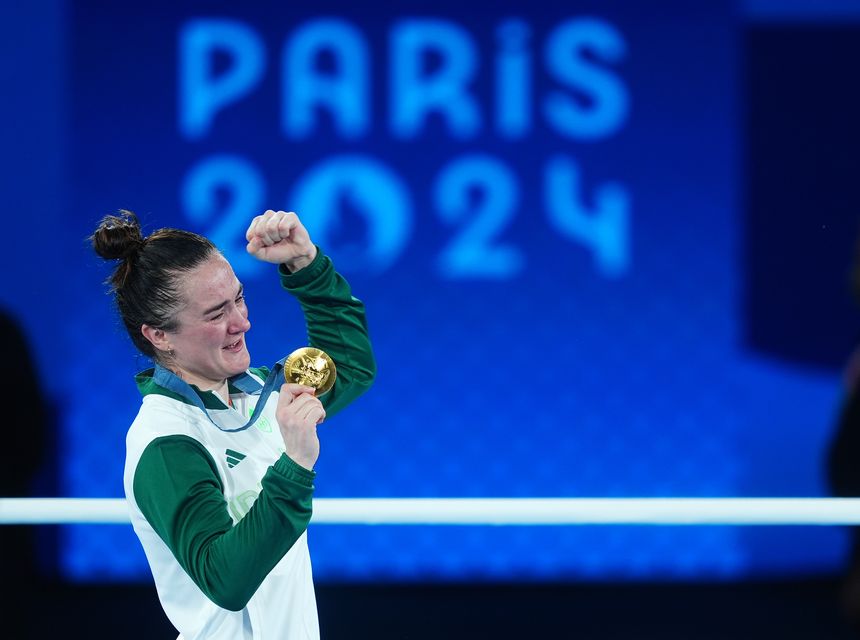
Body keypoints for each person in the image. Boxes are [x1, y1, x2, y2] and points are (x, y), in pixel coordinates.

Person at [91, 209, 376, 639]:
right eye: (215, 313)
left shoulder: (259, 394)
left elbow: (351, 366)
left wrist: (305, 264)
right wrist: (295, 466)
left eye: (239, 298)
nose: (242, 322)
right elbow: (227, 581)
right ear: (158, 336)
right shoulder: (167, 442)